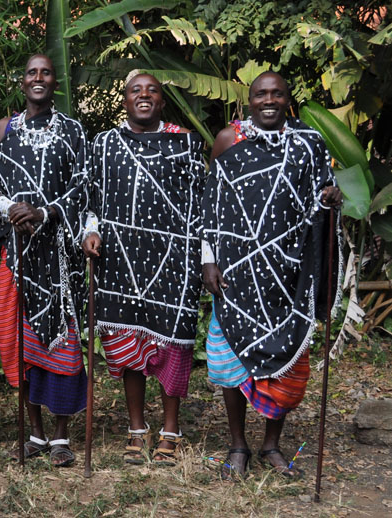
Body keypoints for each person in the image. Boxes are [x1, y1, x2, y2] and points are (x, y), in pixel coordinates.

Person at [201, 71, 342, 479]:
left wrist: (331, 198)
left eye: (277, 93)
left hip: (288, 272)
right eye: (261, 93)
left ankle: (271, 445)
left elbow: (321, 196)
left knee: (287, 363)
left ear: (287, 99)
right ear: (248, 100)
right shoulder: (229, 141)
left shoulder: (309, 143)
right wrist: (209, 259)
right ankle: (238, 446)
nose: (269, 100)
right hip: (236, 270)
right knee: (231, 362)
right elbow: (211, 206)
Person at [81, 73, 206, 466]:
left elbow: (201, 202)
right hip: (120, 258)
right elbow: (91, 196)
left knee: (174, 345)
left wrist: (204, 255)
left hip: (173, 259)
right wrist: (91, 231)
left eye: (152, 90)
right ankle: (136, 429)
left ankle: (171, 431)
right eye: (135, 90)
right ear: (125, 100)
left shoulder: (186, 142)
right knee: (125, 345)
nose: (144, 95)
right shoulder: (104, 144)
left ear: (162, 100)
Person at [0, 54, 88, 466]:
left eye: (46, 72)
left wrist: (44, 213)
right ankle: (35, 433)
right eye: (32, 72)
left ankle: (61, 437)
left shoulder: (73, 130)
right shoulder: (6, 128)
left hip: (59, 253)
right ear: (22, 80)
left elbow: (83, 184)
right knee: (24, 344)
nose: (39, 78)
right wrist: (13, 208)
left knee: (64, 347)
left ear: (54, 80)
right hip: (18, 253)